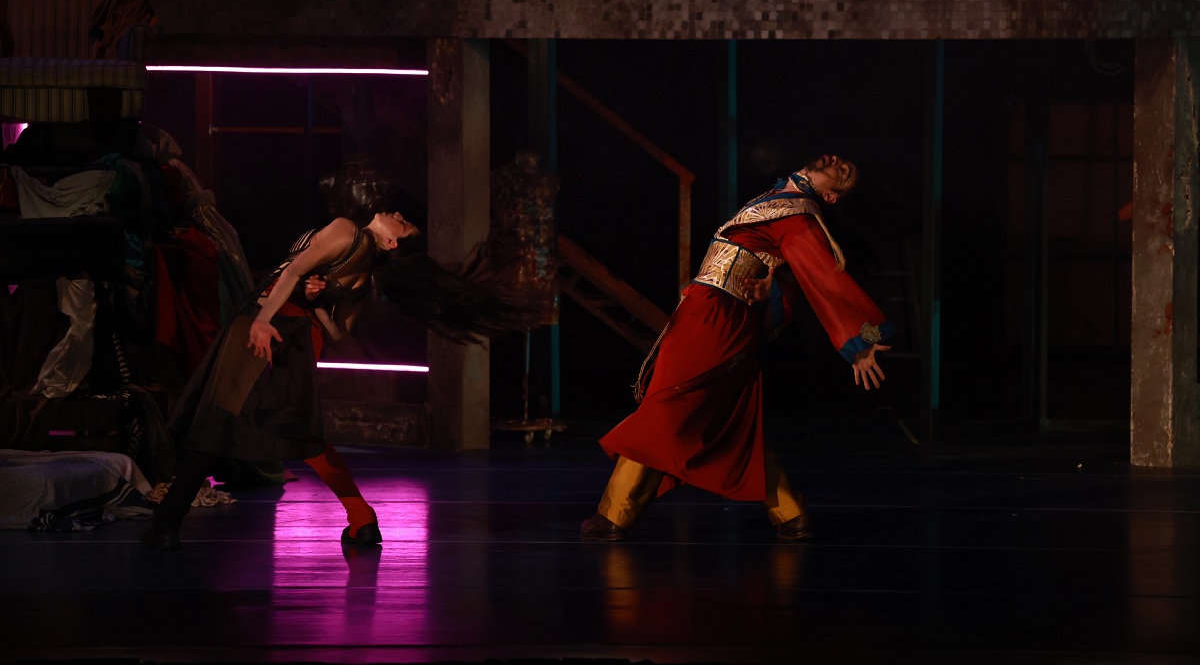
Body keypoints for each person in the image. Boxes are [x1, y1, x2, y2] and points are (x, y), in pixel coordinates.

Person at [143, 210, 536, 551]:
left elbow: (294, 271)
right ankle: (361, 517)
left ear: (391, 243)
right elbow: (338, 334)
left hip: (270, 320)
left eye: (403, 224)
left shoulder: (348, 231)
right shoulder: (363, 279)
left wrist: (263, 321)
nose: (399, 215)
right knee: (296, 430)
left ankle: (166, 525)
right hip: (304, 335)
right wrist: (317, 305)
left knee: (217, 417)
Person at [580, 154, 895, 542]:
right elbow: (787, 271)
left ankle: (615, 514)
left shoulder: (799, 216)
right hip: (711, 312)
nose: (836, 161)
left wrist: (860, 342)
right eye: (839, 159)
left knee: (667, 404)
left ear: (832, 196)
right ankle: (790, 512)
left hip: (718, 320)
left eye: (843, 171)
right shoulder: (781, 202)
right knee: (728, 422)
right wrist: (772, 286)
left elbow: (824, 278)